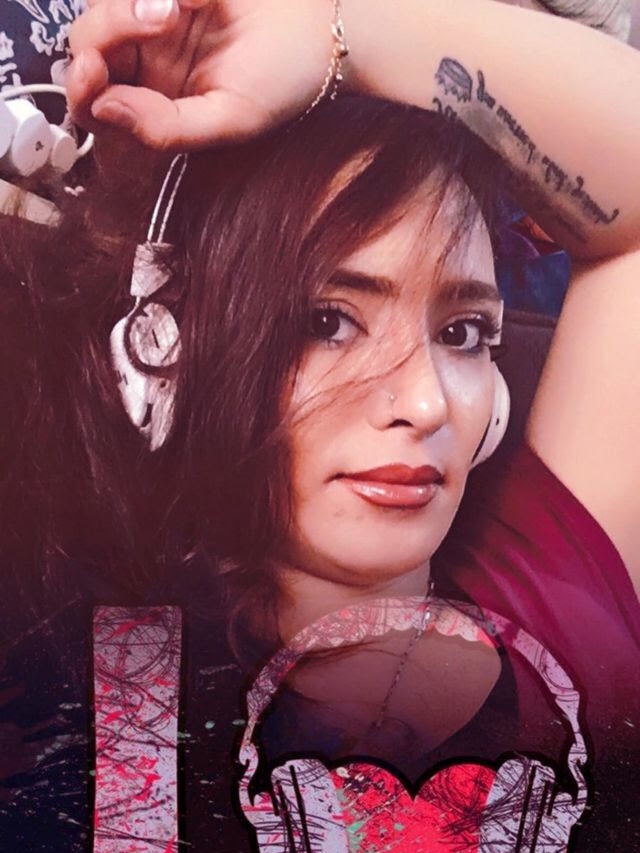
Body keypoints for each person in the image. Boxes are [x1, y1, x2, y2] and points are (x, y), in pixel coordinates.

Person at [0, 0, 638, 851]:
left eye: (461, 333)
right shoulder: (83, 669)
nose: (426, 404)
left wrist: (339, 30)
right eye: (329, 321)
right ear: (165, 355)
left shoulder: (552, 601)